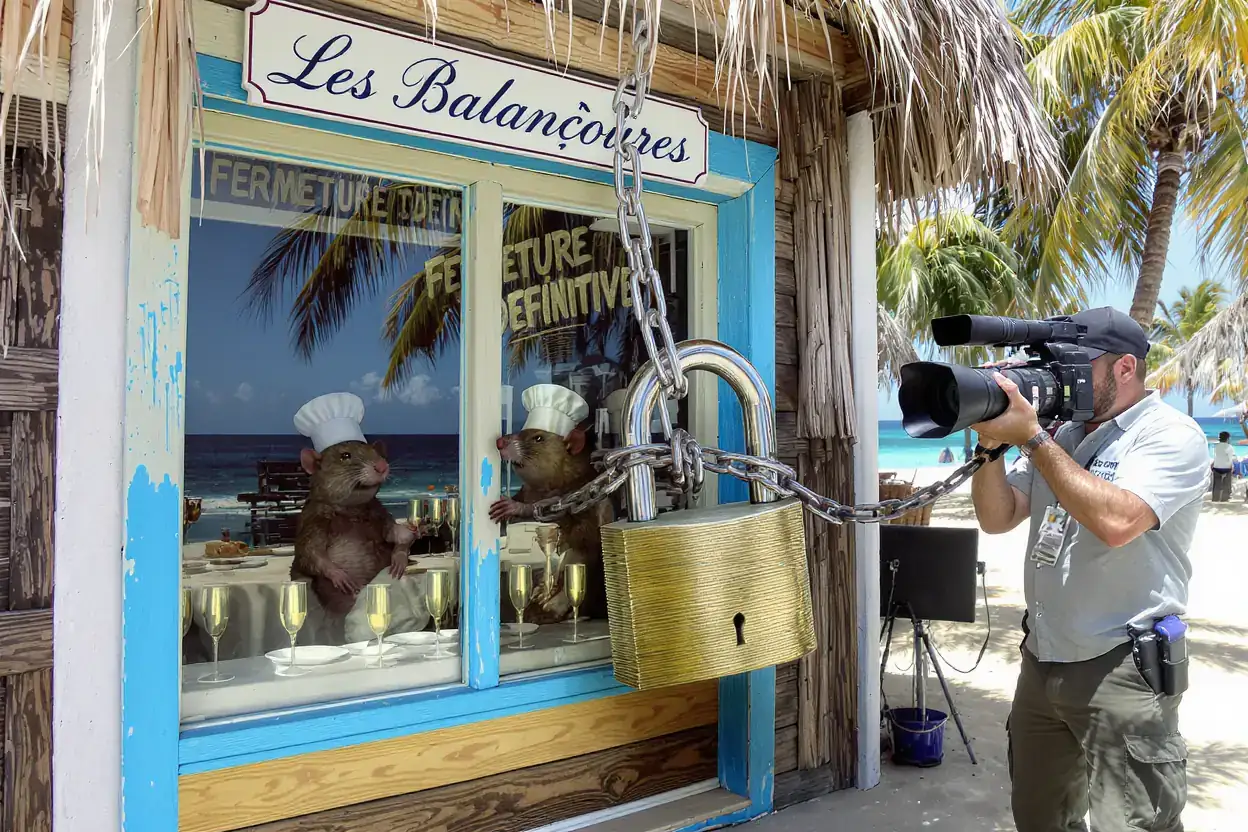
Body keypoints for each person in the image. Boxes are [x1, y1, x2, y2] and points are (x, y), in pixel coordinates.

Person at [967, 307, 1208, 832]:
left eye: (1075, 367)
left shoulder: (1171, 435)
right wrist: (989, 447)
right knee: (1040, 817)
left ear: (1125, 368)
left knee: (1134, 823)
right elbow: (997, 515)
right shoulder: (1063, 435)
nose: (1059, 380)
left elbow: (1118, 521)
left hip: (1123, 665)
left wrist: (1032, 439)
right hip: (1042, 660)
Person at [1210, 431, 1236, 502]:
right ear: (1227, 438)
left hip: (1217, 467)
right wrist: (1232, 466)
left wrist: (1212, 465)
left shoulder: (1216, 447)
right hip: (1226, 468)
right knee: (1227, 484)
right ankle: (1225, 498)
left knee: (1216, 485)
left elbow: (1216, 457)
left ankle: (1215, 498)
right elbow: (1230, 458)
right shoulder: (1230, 447)